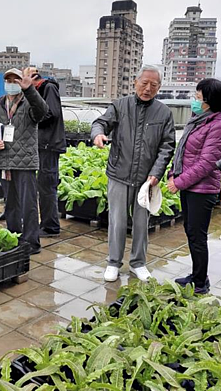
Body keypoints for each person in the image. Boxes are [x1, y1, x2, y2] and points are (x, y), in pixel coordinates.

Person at [91, 65, 176, 282]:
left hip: (146, 179)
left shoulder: (164, 113)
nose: (148, 88)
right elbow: (100, 123)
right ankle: (113, 262)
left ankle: (138, 262)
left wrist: (156, 173)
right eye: (144, 83)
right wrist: (98, 135)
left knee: (141, 223)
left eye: (153, 85)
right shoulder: (120, 106)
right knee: (117, 221)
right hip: (119, 174)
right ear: (135, 82)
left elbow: (167, 146)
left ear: (159, 88)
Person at [166, 79, 221, 294]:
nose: (194, 101)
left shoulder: (218, 126)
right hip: (191, 187)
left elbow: (207, 163)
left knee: (197, 236)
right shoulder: (200, 120)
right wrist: (174, 173)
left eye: (198, 97)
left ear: (208, 102)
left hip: (202, 189)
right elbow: (185, 153)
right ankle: (197, 275)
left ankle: (200, 283)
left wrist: (178, 182)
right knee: (191, 233)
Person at [0, 68, 49, 254]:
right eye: (8, 80)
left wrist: (30, 90)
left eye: (15, 80)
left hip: (25, 162)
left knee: (28, 204)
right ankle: (14, 237)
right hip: (5, 161)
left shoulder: (29, 104)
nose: (11, 84)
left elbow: (43, 112)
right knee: (10, 203)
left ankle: (31, 242)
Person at [24, 66, 66, 237]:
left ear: (34, 77)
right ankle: (45, 223)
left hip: (48, 145)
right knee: (43, 184)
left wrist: (32, 119)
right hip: (42, 145)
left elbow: (51, 113)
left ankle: (50, 226)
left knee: (47, 185)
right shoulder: (42, 89)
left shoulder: (48, 88)